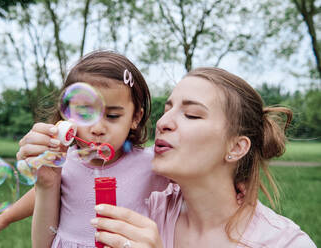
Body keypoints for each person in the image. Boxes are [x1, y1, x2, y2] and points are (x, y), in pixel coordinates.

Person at [90, 67, 316, 247]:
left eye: (191, 115)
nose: (162, 123)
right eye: (167, 109)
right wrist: (52, 182)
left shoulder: (284, 243)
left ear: (236, 147)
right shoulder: (143, 208)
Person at [0, 50, 170, 247]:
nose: (97, 129)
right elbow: (39, 192)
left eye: (112, 116)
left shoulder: (150, 163)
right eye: (85, 114)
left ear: (135, 118)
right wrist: (4, 218)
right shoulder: (62, 161)